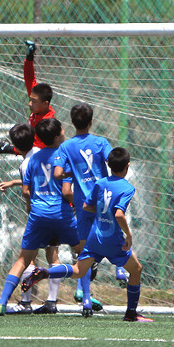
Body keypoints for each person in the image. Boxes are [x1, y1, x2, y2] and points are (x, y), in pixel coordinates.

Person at [24, 147, 152, 322]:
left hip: (94, 237)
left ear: (108, 165)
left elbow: (86, 206)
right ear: (127, 166)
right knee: (136, 270)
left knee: (78, 270)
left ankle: (45, 272)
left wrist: (102, 214)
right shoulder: (127, 188)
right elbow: (119, 214)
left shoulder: (100, 183)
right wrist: (128, 236)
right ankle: (131, 313)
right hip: (113, 240)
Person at [0, 118, 86, 316]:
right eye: (62, 130)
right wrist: (79, 205)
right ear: (57, 136)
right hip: (61, 213)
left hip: (38, 214)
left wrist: (31, 207)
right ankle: (85, 300)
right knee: (85, 254)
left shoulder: (32, 160)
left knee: (23, 260)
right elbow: (67, 192)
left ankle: (1, 302)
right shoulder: (64, 157)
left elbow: (26, 191)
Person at [53, 102, 128, 291]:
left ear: (72, 122)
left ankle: (82, 292)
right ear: (91, 122)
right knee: (114, 232)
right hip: (103, 200)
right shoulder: (100, 142)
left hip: (83, 203)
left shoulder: (66, 147)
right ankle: (120, 269)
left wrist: (71, 173)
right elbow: (113, 161)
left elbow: (57, 174)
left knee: (85, 251)